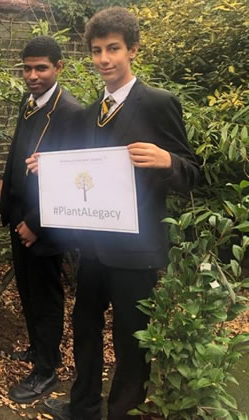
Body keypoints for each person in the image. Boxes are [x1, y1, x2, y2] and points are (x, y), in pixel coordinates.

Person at [38, 8, 199, 420]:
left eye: (113, 49)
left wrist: (167, 160)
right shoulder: (91, 111)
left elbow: (193, 173)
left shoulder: (159, 104)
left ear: (133, 50)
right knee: (86, 328)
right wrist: (51, 166)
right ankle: (85, 405)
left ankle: (122, 412)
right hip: (93, 246)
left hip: (136, 250)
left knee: (131, 339)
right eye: (96, 51)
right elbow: (85, 170)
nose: (104, 59)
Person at [0, 36, 82, 404]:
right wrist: (5, 180)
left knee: (46, 296)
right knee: (28, 291)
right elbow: (18, 147)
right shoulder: (29, 102)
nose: (32, 75)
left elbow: (72, 176)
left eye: (41, 68)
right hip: (20, 215)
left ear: (58, 68)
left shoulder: (71, 113)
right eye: (27, 68)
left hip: (46, 223)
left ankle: (46, 370)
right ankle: (38, 349)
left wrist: (36, 221)